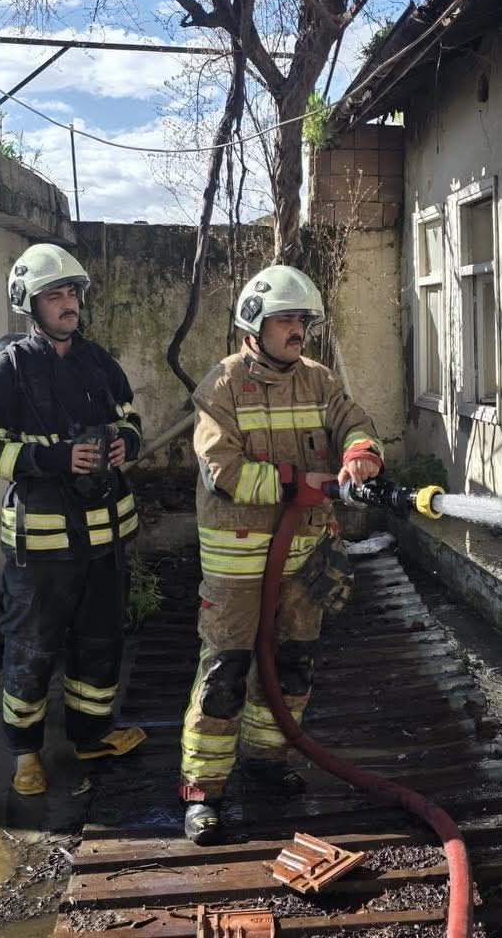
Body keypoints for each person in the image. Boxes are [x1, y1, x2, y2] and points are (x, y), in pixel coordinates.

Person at [178, 264, 383, 844]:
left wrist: (362, 451)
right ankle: (202, 791)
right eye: (286, 319)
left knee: (292, 664)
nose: (298, 330)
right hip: (239, 562)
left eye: (303, 320)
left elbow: (353, 421)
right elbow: (222, 469)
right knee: (225, 672)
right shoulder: (220, 386)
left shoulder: (319, 380)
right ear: (254, 323)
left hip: (303, 554)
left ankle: (267, 761)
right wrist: (295, 483)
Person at [0, 243, 146, 796]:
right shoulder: (8, 370)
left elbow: (129, 418)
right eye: (55, 295)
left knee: (100, 641)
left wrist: (122, 444)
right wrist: (52, 458)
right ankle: (25, 755)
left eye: (73, 294)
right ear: (29, 305)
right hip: (41, 548)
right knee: (33, 647)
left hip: (105, 542)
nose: (69, 305)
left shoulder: (99, 363)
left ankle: (91, 735)